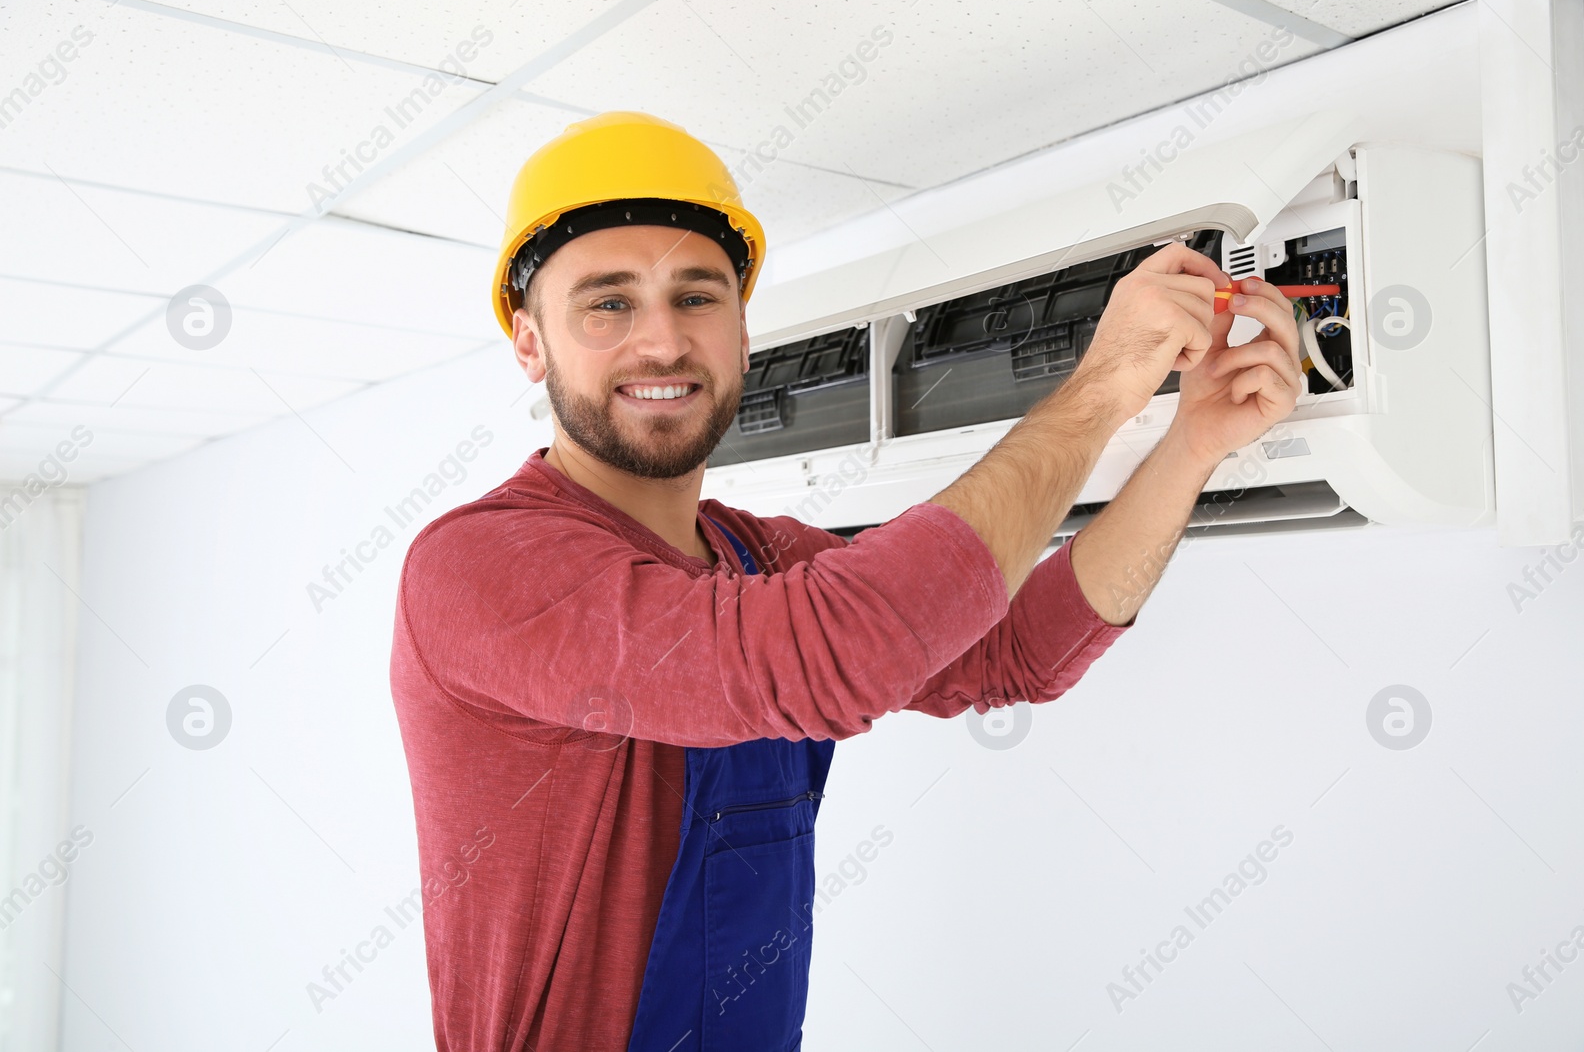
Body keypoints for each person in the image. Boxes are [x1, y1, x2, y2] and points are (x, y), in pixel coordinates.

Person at [388, 110, 1305, 1051]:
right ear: (530, 344)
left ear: (743, 334)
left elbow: (1016, 651)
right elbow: (827, 656)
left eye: (697, 296)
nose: (661, 342)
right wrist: (1103, 385)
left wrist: (1193, 445)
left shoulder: (763, 561)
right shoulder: (476, 566)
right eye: (608, 303)